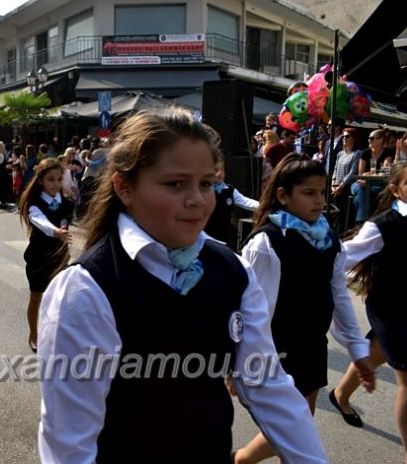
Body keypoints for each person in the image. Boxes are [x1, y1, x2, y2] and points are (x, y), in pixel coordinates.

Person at [38, 110, 329, 463]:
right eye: (176, 184)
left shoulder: (232, 270)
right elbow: (68, 445)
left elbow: (268, 385)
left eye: (206, 183)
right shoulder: (86, 289)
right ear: (124, 187)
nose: (198, 200)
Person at [236, 153, 375, 463]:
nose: (319, 201)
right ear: (284, 196)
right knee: (295, 431)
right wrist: (240, 360)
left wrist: (357, 348)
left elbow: (339, 297)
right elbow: (251, 309)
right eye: (309, 193)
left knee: (301, 422)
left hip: (312, 345)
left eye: (322, 193)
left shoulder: (329, 241)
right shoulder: (267, 243)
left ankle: (239, 460)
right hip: (276, 350)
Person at [329, 160, 407, 463]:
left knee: (375, 353)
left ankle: (340, 395)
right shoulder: (383, 225)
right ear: (395, 189)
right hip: (391, 308)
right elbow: (341, 256)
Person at [18, 158, 73, 353]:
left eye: (59, 179)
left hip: (60, 256)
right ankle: (34, 334)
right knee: (37, 296)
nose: (55, 184)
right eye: (51, 179)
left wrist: (63, 232)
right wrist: (55, 231)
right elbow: (38, 220)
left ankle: (56, 333)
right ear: (41, 180)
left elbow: (66, 221)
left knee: (60, 297)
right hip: (38, 257)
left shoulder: (67, 203)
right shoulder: (35, 202)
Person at [204, 151, 258, 243]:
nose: (220, 173)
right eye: (216, 170)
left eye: (223, 169)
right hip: (206, 236)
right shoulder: (205, 189)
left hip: (222, 236)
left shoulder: (229, 190)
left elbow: (245, 201)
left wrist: (264, 206)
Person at [351, 129, 395, 225]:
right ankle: (363, 223)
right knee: (361, 189)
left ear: (381, 140)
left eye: (372, 138)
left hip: (376, 184)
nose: (369, 141)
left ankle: (360, 223)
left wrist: (369, 175)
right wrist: (368, 177)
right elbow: (361, 175)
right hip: (360, 184)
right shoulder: (365, 153)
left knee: (358, 198)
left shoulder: (388, 153)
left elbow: (385, 172)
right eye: (368, 138)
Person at [331, 128, 362, 232]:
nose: (344, 138)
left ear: (354, 139)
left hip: (347, 187)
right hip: (336, 186)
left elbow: (353, 172)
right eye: (343, 136)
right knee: (336, 213)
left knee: (345, 214)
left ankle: (344, 233)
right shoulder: (340, 153)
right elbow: (335, 169)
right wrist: (333, 183)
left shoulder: (357, 153)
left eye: (347, 136)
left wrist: (342, 185)